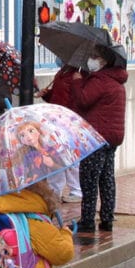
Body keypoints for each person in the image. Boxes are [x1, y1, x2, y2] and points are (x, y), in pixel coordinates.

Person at [68, 45, 128, 234]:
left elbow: (84, 100)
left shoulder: (100, 80)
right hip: (112, 137)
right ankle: (107, 218)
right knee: (106, 178)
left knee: (89, 179)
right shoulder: (115, 80)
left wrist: (77, 82)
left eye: (95, 56)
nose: (90, 60)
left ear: (104, 61)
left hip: (96, 137)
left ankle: (87, 220)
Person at [40, 63, 84, 202]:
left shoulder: (78, 74)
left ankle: (76, 190)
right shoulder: (62, 72)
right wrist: (47, 95)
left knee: (70, 156)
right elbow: (57, 95)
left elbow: (79, 98)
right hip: (55, 119)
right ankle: (55, 190)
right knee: (55, 156)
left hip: (69, 120)